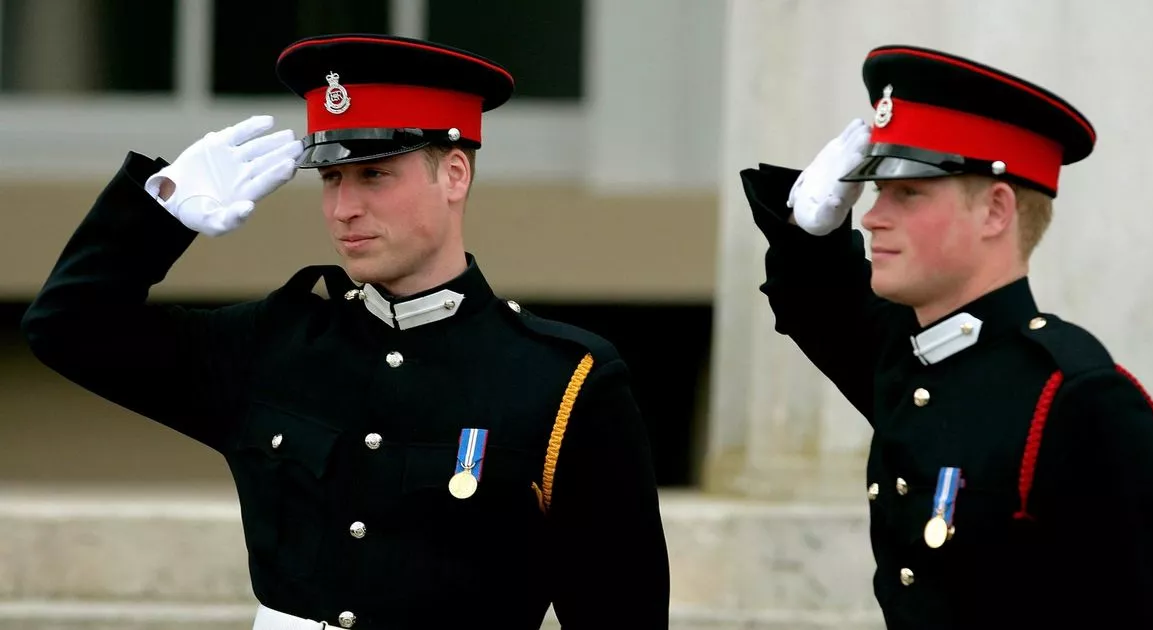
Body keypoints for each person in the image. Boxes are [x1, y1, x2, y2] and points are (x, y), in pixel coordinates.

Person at [21, 34, 669, 629]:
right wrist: (159, 208)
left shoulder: (560, 380)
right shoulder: (274, 343)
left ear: (454, 175)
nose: (343, 208)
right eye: (330, 178)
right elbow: (68, 328)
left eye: (374, 175)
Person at [741, 44, 1153, 630]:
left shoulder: (1075, 399)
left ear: (995, 212)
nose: (874, 215)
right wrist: (808, 233)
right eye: (877, 190)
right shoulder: (923, 362)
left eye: (908, 193)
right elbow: (824, 310)